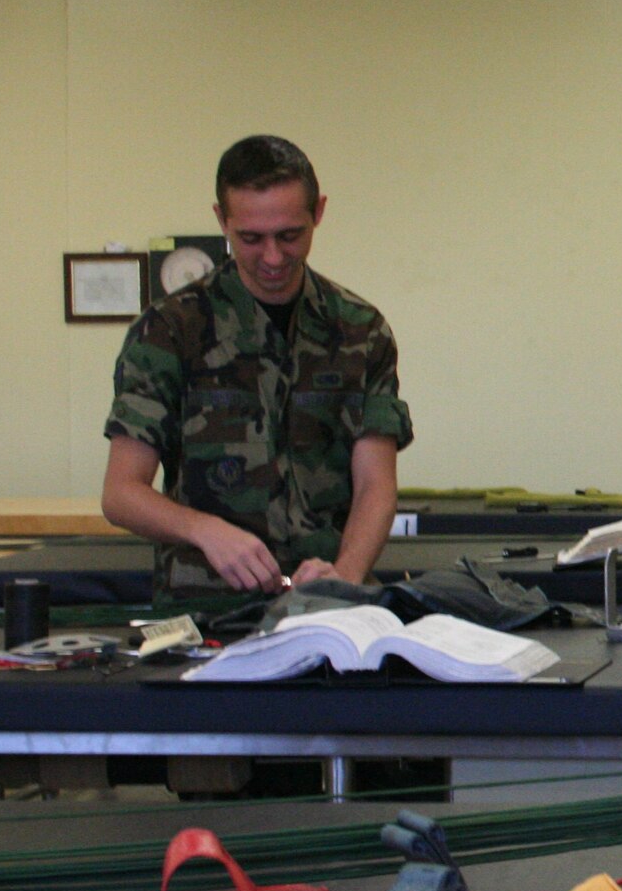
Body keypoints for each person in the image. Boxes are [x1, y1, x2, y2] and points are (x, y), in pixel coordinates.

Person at [103, 135, 414, 600]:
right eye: (250, 238)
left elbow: (375, 485)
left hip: (329, 600)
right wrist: (205, 530)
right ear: (221, 220)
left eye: (290, 235)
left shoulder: (359, 330)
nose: (272, 257)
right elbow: (122, 493)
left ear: (319, 212)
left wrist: (346, 576)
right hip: (206, 603)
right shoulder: (170, 331)